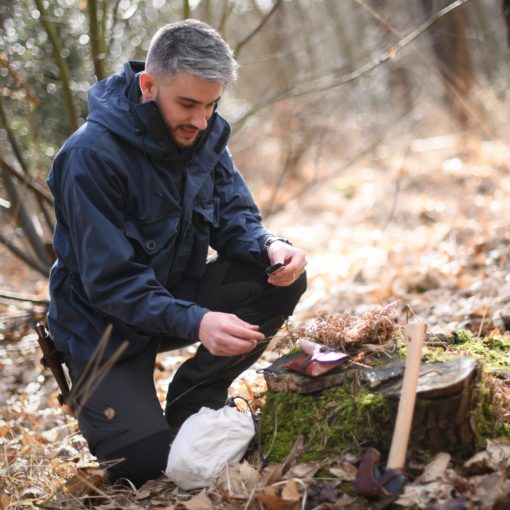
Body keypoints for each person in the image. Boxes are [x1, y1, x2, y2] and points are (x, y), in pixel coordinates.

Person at [46, 19, 307, 487]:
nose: (201, 120)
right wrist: (197, 321)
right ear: (148, 85)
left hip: (173, 299)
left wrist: (271, 246)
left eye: (211, 105)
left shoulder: (203, 134)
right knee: (147, 468)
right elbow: (111, 282)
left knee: (275, 274)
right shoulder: (88, 156)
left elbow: (235, 219)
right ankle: (132, 420)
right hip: (102, 333)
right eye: (187, 103)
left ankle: (196, 395)